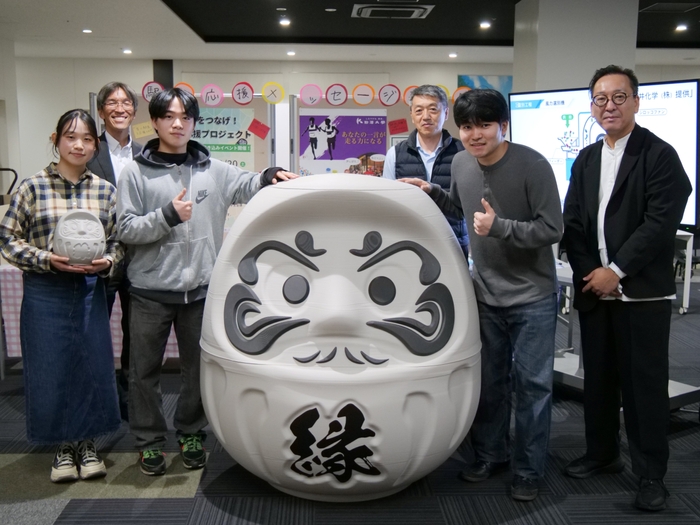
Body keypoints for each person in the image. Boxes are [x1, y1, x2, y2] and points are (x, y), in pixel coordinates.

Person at [117, 87, 297, 476]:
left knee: (197, 370)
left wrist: (270, 175)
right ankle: (149, 441)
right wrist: (166, 216)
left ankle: (191, 433)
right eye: (168, 116)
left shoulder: (213, 169)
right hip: (149, 292)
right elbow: (126, 228)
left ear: (195, 122)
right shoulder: (135, 172)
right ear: (155, 122)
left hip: (201, 291)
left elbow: (248, 184)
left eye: (185, 116)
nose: (177, 123)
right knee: (142, 372)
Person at [402, 88, 562, 501]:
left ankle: (528, 470)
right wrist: (432, 192)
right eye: (468, 126)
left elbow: (552, 228)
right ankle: (492, 454)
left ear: (503, 125)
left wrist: (500, 228)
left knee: (532, 386)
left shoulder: (533, 165)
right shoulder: (460, 162)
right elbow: (462, 208)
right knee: (489, 382)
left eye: (485, 125)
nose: (475, 135)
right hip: (485, 293)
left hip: (532, 296)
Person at [561, 65, 691, 512]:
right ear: (592, 106)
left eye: (619, 97)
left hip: (642, 294)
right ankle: (603, 454)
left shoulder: (659, 154)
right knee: (597, 379)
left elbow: (660, 222)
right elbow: (573, 222)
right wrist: (592, 274)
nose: (609, 106)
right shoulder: (586, 158)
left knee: (643, 388)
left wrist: (616, 271)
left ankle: (651, 474)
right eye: (600, 98)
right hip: (595, 289)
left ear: (636, 101)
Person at [0, 109, 124, 483]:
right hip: (45, 289)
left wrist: (108, 261)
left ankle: (87, 444)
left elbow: (119, 242)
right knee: (50, 368)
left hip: (89, 290)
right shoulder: (32, 187)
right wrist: (45, 259)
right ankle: (63, 447)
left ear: (95, 145)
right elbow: (7, 239)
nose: (79, 145)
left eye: (87, 139)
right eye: (71, 137)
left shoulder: (105, 190)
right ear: (56, 140)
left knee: (91, 366)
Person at [87, 81, 142, 421]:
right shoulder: (88, 150)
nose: (119, 108)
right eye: (112, 102)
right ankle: (98, 399)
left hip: (139, 257)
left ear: (134, 111)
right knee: (95, 331)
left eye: (126, 102)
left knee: (136, 334)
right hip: (100, 255)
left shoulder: (148, 153)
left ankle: (129, 399)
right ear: (101, 111)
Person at [382, 84, 469, 258]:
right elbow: (388, 204)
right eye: (419, 110)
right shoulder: (395, 154)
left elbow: (468, 204)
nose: (426, 116)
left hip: (453, 241)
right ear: (412, 115)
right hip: (409, 243)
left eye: (433, 109)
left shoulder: (464, 152)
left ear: (446, 113)